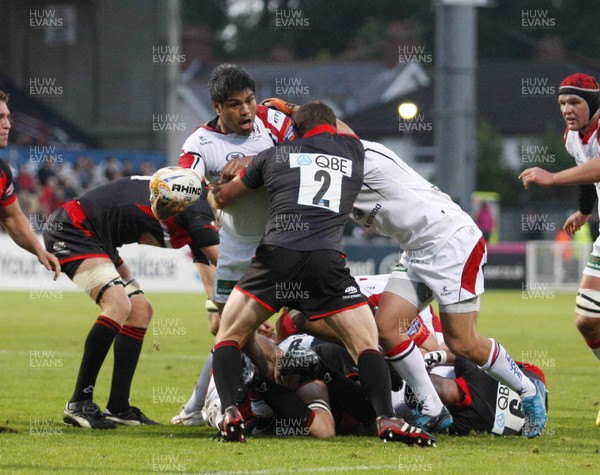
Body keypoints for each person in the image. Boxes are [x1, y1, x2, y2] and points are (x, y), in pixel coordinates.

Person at [263, 97, 548, 438]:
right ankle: (431, 406)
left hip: (451, 240)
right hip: (418, 247)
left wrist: (293, 114)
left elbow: (334, 135)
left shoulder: (351, 154)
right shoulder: (341, 153)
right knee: (387, 327)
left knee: (463, 342)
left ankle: (529, 390)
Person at [209, 101, 435, 447]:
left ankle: (228, 412)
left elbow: (225, 197)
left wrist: (211, 192)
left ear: (295, 131)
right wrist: (294, 107)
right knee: (365, 344)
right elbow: (341, 130)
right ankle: (386, 419)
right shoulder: (352, 149)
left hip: (277, 257)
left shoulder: (274, 155)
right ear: (332, 127)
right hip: (326, 261)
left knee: (228, 334)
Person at [168, 64, 295, 426]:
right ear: (216, 107)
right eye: (236, 104)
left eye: (250, 100)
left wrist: (254, 161)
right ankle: (221, 407)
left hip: (283, 241)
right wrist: (172, 195)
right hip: (237, 249)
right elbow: (188, 179)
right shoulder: (199, 143)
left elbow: (302, 154)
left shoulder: (272, 121)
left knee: (303, 319)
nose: (246, 111)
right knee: (228, 330)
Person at [42, 175, 218, 429]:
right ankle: (79, 403)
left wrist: (226, 312)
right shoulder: (198, 210)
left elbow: (214, 284)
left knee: (140, 311)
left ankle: (119, 408)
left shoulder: (197, 210)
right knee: (119, 305)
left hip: (100, 238)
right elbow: (225, 267)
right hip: (73, 228)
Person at [518, 72, 600, 426]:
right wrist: (585, 211)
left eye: (575, 102)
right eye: (562, 103)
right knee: (587, 321)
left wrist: (551, 177)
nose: (567, 109)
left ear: (593, 104)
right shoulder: (572, 137)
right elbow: (587, 172)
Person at [0, 90, 60, 278]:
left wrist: (39, 250)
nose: (7, 125)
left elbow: (12, 217)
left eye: (8, 117)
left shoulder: (2, 171)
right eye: (0, 117)